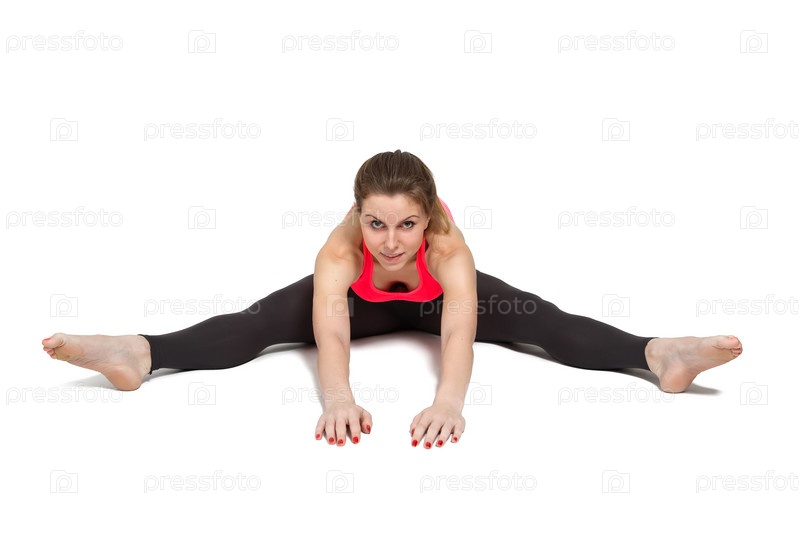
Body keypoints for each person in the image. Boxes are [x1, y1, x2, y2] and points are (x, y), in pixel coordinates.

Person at [42, 149, 743, 449]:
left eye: (406, 224)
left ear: (428, 217)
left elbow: (459, 330)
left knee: (540, 319)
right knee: (256, 323)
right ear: (358, 215)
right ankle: (138, 352)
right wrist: (337, 398)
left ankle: (660, 355)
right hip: (363, 306)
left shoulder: (449, 249)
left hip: (435, 305)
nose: (390, 241)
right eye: (375, 223)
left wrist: (449, 403)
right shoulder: (340, 252)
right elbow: (329, 328)